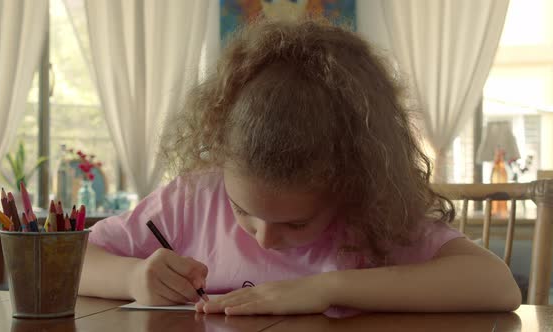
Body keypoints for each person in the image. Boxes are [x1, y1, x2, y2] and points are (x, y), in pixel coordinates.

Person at [79, 19, 521, 316]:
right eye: (242, 210)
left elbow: (496, 285)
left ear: (352, 185)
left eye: (296, 222)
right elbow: (72, 261)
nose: (266, 238)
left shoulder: (370, 219)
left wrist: (324, 289)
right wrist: (134, 276)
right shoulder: (193, 198)